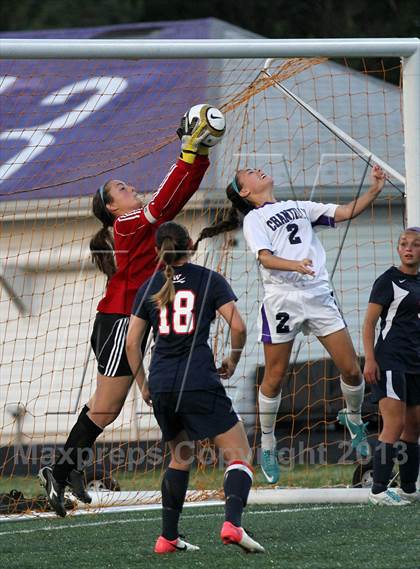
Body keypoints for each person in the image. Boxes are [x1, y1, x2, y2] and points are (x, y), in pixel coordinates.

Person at [38, 114, 213, 517]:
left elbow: (176, 198)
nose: (129, 187)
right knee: (107, 409)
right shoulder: (128, 223)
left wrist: (199, 155)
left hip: (121, 320)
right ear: (112, 208)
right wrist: (188, 149)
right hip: (119, 323)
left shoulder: (134, 222)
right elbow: (165, 202)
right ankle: (58, 472)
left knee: (102, 405)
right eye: (121, 188)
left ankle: (68, 468)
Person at [193, 164, 386, 483]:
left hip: (317, 294)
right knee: (276, 375)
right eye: (250, 173)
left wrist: (375, 189)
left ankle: (353, 419)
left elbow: (344, 212)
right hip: (282, 299)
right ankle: (267, 441)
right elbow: (265, 258)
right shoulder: (254, 219)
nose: (259, 171)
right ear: (245, 191)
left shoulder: (298, 206)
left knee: (351, 369)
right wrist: (295, 264)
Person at [126, 221, 265, 554]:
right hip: (198, 379)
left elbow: (132, 344)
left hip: (161, 382)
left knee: (181, 454)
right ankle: (233, 523)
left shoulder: (148, 286)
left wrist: (144, 385)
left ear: (158, 250)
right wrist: (232, 360)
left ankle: (167, 538)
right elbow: (239, 327)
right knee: (240, 454)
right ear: (190, 244)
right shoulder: (208, 279)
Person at [363, 227, 420, 506]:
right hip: (390, 361)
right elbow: (369, 323)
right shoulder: (388, 280)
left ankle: (409, 489)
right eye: (404, 244)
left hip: (415, 365)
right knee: (394, 424)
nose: (409, 248)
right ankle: (378, 490)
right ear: (398, 249)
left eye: (415, 245)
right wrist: (370, 359)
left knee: (414, 428)